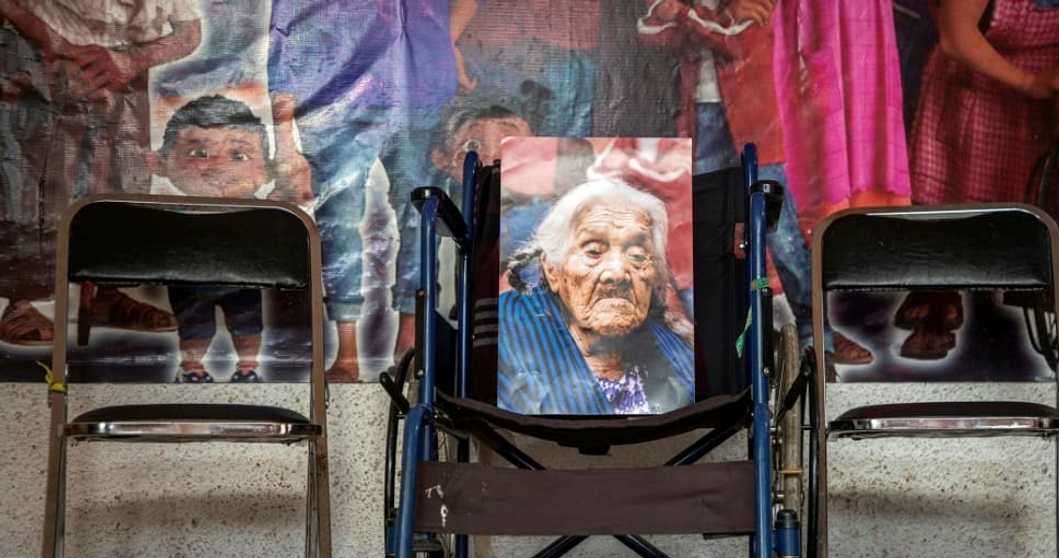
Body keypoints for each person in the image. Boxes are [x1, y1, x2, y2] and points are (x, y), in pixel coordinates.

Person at [637, 0, 875, 371]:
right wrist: (698, 20)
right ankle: (719, 344)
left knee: (780, 235)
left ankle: (818, 337)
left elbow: (732, 40)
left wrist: (684, 15)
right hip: (699, 120)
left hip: (755, 124)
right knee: (706, 232)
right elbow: (650, 33)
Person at [903, 0, 1059, 359]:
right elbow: (956, 37)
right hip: (980, 81)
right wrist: (1031, 82)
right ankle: (936, 296)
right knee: (953, 213)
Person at [267, 0, 457, 381]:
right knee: (339, 221)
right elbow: (281, 39)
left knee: (422, 216)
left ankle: (411, 336)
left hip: (421, 95)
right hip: (337, 102)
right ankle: (347, 347)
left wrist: (446, 44)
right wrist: (285, 140)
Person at [0, 0, 200, 347]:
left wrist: (132, 60)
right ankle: (22, 301)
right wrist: (56, 44)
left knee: (120, 174)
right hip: (35, 46)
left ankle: (107, 294)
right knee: (38, 176)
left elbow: (190, 31)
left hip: (122, 64)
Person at [151, 93, 313, 382]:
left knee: (248, 325)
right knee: (194, 327)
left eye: (239, 155)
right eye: (198, 153)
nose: (218, 166)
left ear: (265, 170)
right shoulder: (169, 212)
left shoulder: (264, 209)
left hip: (245, 279)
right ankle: (192, 370)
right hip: (189, 281)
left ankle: (248, 369)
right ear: (159, 162)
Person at [499, 178, 694, 415]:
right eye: (593, 252)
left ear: (653, 277)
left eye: (637, 255)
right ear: (552, 270)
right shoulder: (505, 332)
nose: (617, 273)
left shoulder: (683, 348)